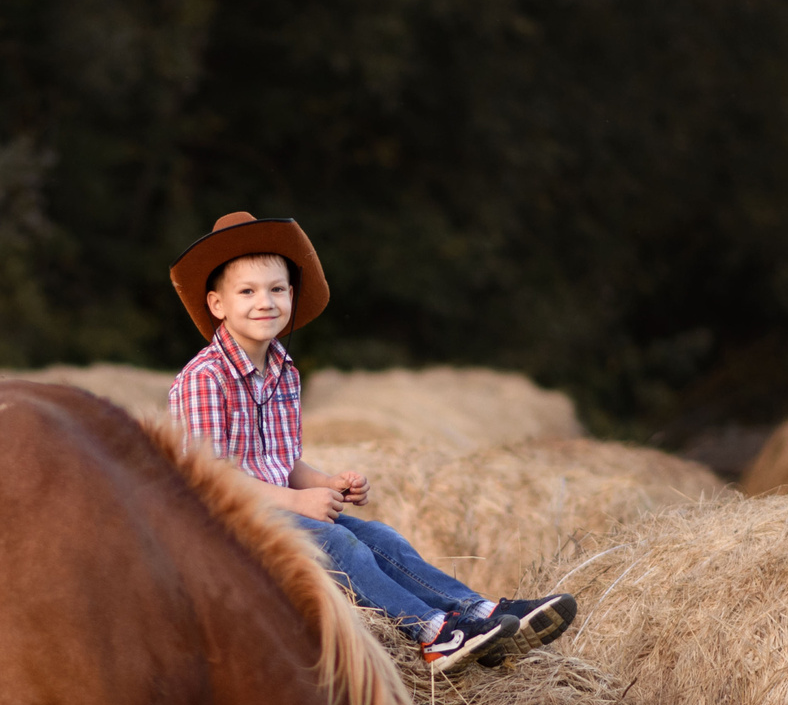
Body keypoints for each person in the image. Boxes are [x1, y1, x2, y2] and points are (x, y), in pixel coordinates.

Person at [165, 210, 575, 674]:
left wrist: (325, 482)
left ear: (292, 296)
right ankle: (433, 633)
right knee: (342, 546)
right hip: (219, 527)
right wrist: (299, 501)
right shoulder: (205, 379)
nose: (266, 302)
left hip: (275, 508)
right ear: (217, 304)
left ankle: (479, 614)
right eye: (248, 291)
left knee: (383, 537)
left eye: (277, 289)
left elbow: (277, 459)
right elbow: (209, 479)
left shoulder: (283, 371)